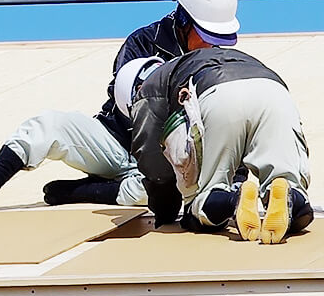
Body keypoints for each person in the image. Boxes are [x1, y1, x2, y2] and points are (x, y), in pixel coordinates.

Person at [0, 0, 241, 216]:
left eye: (217, 40)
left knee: (163, 194)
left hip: (167, 162)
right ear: (183, 21)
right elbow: (130, 101)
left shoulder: (220, 61)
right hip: (116, 141)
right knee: (47, 126)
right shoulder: (142, 42)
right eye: (205, 36)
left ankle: (82, 191)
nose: (210, 46)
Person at [114, 48, 313, 243]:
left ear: (133, 93)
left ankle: (233, 201)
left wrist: (166, 211)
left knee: (201, 205)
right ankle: (291, 196)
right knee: (288, 185)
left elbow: (154, 165)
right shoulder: (197, 59)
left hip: (218, 94)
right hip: (274, 92)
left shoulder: (146, 90)